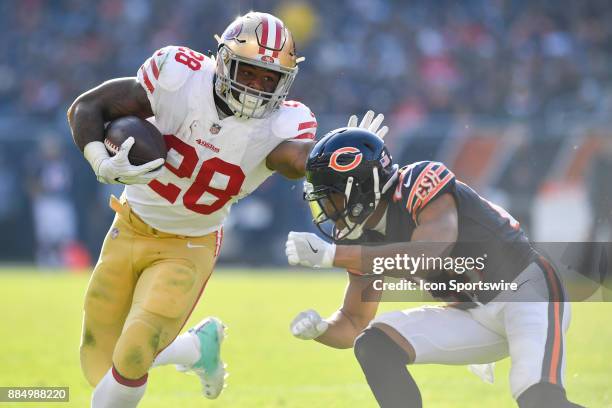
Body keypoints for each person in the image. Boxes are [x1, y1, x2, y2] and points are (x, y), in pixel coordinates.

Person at [67, 11, 366, 408]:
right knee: (97, 361)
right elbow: (87, 108)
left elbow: (298, 160)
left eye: (269, 79)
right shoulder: (178, 76)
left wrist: (342, 155)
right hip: (130, 222)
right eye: (248, 72)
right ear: (224, 60)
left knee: (135, 350)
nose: (257, 88)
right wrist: (101, 165)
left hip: (189, 245)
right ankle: (195, 347)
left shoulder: (283, 123)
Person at [285, 128, 584, 408]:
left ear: (362, 187)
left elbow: (430, 254)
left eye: (333, 196)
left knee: (539, 398)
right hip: (471, 314)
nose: (327, 209)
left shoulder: (420, 180)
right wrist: (321, 329)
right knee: (375, 345)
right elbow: (353, 323)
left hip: (524, 291)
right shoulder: (359, 234)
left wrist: (332, 256)